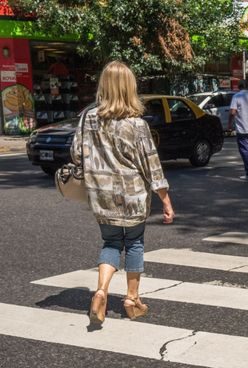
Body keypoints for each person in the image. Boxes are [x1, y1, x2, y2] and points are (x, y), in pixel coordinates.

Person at [71, 61, 174, 326]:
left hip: (101, 195)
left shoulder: (88, 118)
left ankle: (101, 291)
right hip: (134, 196)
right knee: (135, 243)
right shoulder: (137, 125)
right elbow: (152, 165)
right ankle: (131, 299)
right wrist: (165, 200)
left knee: (111, 243)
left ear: (103, 86)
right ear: (130, 88)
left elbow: (75, 154)